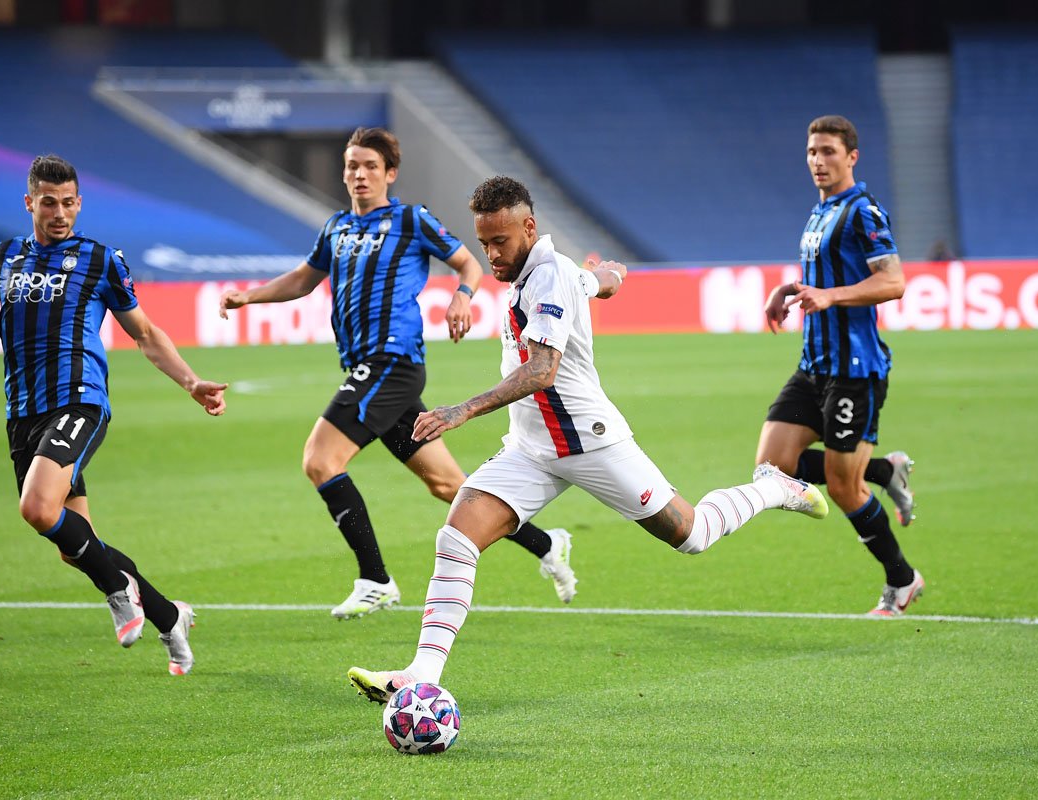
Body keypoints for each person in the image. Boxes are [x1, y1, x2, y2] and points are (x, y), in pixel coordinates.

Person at [346, 176, 829, 702]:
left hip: (589, 442)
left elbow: (542, 371)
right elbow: (605, 280)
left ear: (529, 227)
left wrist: (461, 410)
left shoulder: (549, 277)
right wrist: (606, 275)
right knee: (456, 538)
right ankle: (422, 675)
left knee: (692, 534)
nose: (490, 255)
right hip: (532, 450)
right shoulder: (552, 273)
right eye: (483, 243)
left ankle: (777, 487)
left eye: (500, 241)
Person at [218, 128, 578, 620]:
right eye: (351, 166)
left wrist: (461, 297)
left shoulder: (410, 220)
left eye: (369, 166)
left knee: (321, 460)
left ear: (389, 173)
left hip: (390, 364)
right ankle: (546, 544)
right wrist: (249, 295)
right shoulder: (337, 228)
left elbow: (468, 264)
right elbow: (304, 278)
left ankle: (375, 579)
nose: (359, 174)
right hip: (368, 369)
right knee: (448, 485)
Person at [0, 154, 227, 675]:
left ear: (79, 203)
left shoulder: (100, 260)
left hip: (79, 401)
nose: (60, 212)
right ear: (29, 202)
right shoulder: (5, 256)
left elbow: (145, 333)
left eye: (68, 203)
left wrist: (191, 382)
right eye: (49, 202)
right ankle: (170, 616)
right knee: (75, 544)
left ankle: (118, 589)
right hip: (23, 414)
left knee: (37, 508)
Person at [756, 115, 924, 617]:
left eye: (828, 152)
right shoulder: (820, 212)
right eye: (811, 152)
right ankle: (883, 470)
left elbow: (893, 282)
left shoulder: (863, 211)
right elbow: (825, 276)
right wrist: (788, 291)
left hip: (855, 369)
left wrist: (831, 296)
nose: (817, 161)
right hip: (813, 365)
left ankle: (902, 580)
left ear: (851, 157)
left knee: (845, 488)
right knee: (772, 468)